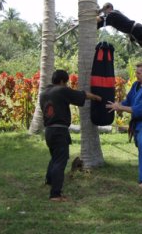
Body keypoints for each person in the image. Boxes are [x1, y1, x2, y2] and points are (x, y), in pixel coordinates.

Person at [40, 69, 102, 202]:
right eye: (66, 82)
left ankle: (49, 180)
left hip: (49, 131)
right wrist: (97, 98)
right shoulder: (62, 90)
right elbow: (82, 94)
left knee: (55, 157)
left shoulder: (44, 93)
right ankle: (55, 194)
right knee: (60, 161)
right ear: (63, 81)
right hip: (59, 131)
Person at [106, 62, 142, 188]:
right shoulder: (136, 85)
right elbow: (129, 100)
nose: (136, 75)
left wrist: (121, 107)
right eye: (136, 72)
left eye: (138, 73)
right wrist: (117, 107)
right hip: (136, 122)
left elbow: (138, 109)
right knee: (139, 144)